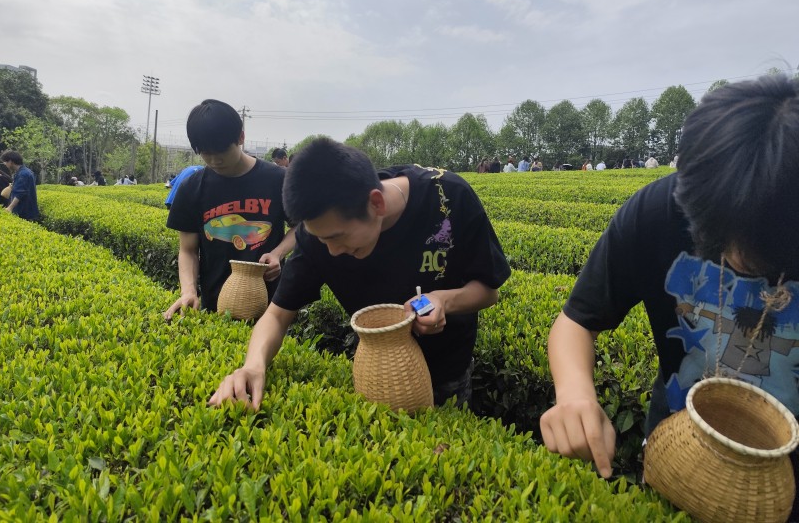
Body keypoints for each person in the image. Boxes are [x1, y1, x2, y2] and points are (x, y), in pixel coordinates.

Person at [539, 75, 799, 512]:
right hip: (677, 451)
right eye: (720, 236)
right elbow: (577, 321)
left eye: (757, 248)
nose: (735, 258)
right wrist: (575, 394)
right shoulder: (659, 209)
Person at [208, 138, 511, 410]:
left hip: (448, 371)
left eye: (339, 238)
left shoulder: (449, 198)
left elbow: (489, 290)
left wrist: (444, 299)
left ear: (376, 204)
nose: (332, 251)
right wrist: (253, 366)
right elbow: (276, 316)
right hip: (374, 374)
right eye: (322, 240)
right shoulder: (319, 235)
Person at [163, 99, 296, 319]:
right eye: (206, 153)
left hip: (271, 306)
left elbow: (302, 227)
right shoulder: (192, 187)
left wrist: (277, 253)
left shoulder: (278, 180)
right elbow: (187, 249)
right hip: (214, 305)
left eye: (222, 150)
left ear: (241, 137)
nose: (215, 160)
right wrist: (188, 290)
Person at [1, 150, 40, 221]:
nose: (4, 164)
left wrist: (10, 208)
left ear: (11, 161)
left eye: (5, 161)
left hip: (24, 213)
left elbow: (19, 193)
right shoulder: (23, 172)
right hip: (26, 211)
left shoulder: (23, 174)